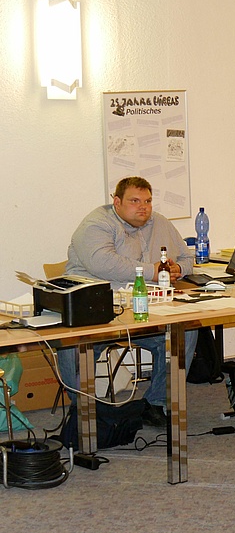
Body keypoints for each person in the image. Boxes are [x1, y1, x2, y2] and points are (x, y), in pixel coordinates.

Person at [57, 176, 199, 428]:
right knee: (72, 343)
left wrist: (178, 268)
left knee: (184, 331)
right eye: (134, 201)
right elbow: (103, 263)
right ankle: (82, 407)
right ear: (117, 202)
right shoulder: (97, 224)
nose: (143, 207)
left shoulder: (161, 223)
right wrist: (153, 271)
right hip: (99, 309)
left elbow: (188, 258)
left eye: (147, 201)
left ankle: (156, 403)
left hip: (146, 309)